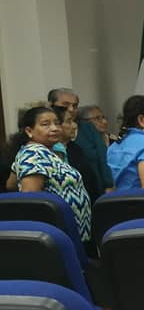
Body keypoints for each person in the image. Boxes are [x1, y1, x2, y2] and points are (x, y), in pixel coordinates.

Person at [11, 106, 92, 242]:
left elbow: (11, 183)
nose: (54, 128)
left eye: (57, 123)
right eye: (45, 124)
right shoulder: (34, 153)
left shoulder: (44, 152)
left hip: (70, 232)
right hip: (58, 234)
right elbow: (30, 199)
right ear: (29, 131)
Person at [50, 89, 114, 196]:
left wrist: (109, 185)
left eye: (75, 106)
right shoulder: (48, 145)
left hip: (95, 189)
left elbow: (102, 157)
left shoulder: (87, 128)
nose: (71, 109)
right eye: (65, 105)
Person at [55, 108, 99, 203]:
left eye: (73, 121)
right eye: (69, 121)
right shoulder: (51, 153)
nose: (75, 126)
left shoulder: (74, 147)